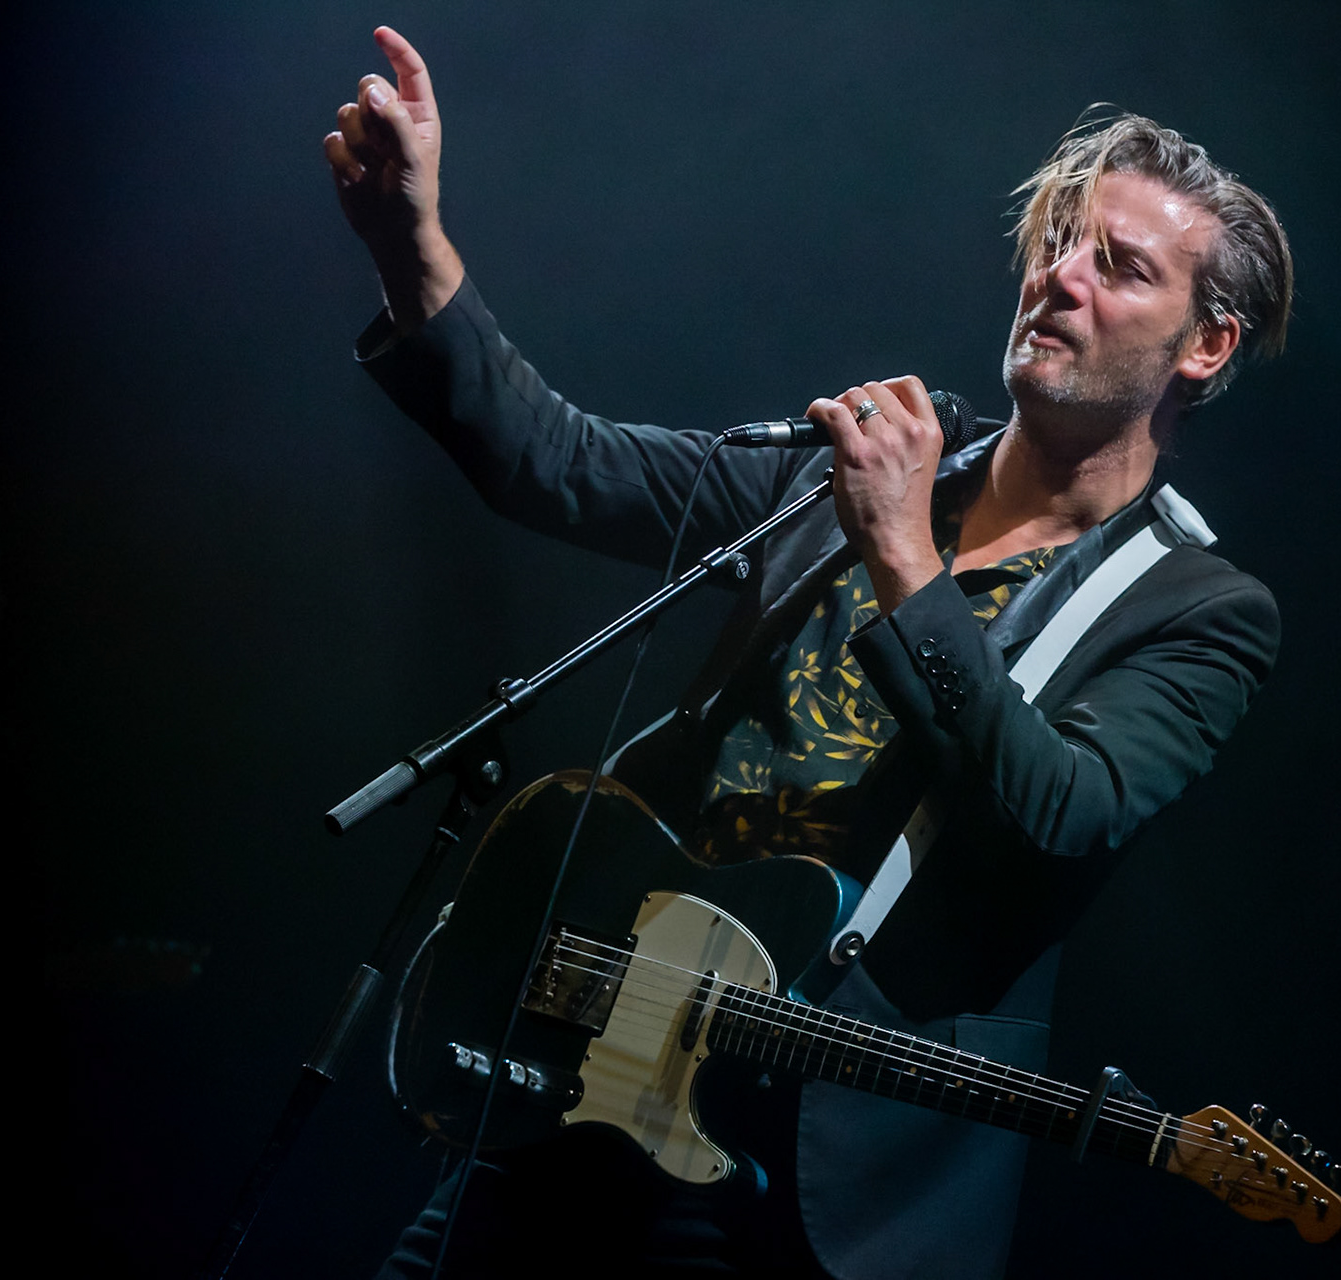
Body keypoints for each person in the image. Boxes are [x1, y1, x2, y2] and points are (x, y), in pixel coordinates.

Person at [327, 24, 1290, 1280]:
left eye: (1120, 267)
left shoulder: (1197, 606)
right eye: (1059, 241)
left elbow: (1059, 814)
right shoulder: (852, 469)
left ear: (1203, 345)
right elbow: (556, 463)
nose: (1061, 275)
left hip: (795, 1168)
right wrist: (414, 249)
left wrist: (902, 552)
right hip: (589, 1063)